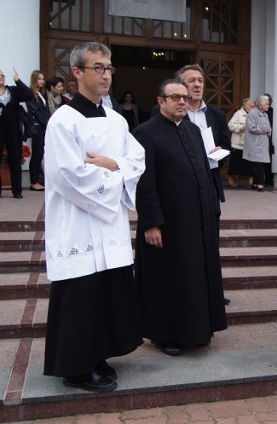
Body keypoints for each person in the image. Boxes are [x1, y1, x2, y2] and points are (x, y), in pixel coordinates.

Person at [43, 41, 145, 392]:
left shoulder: (117, 119)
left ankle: (98, 355)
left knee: (106, 292)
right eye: (98, 68)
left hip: (109, 224)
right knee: (81, 295)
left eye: (109, 68)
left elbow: (137, 159)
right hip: (78, 224)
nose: (106, 75)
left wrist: (113, 164)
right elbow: (69, 174)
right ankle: (75, 367)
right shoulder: (63, 121)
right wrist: (117, 178)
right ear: (77, 73)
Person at [133, 79, 227, 356]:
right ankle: (167, 334)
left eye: (185, 97)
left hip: (197, 221)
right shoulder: (145, 133)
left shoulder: (194, 130)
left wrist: (210, 208)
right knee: (168, 278)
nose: (182, 102)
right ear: (160, 101)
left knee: (195, 276)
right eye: (175, 97)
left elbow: (204, 171)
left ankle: (198, 329)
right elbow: (144, 182)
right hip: (166, 223)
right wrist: (151, 222)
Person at [175, 64, 231, 204]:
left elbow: (226, 145)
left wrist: (219, 153)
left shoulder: (216, 115)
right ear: (180, 86)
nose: (197, 85)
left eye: (200, 81)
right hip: (180, 182)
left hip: (210, 181)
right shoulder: (170, 113)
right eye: (192, 80)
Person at [0, 66, 34, 199]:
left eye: (2, 75)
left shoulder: (12, 90)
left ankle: (17, 191)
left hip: (13, 130)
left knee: (15, 158)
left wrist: (18, 81)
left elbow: (28, 95)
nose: (1, 77)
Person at [26, 70, 51, 191]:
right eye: (39, 79)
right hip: (37, 127)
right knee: (36, 154)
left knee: (40, 153)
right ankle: (34, 181)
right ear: (34, 80)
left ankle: (36, 180)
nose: (41, 81)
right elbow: (35, 112)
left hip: (43, 126)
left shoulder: (41, 94)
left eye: (42, 79)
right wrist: (47, 123)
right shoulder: (31, 94)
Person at [243, 94, 272, 191]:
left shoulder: (265, 115)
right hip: (255, 144)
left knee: (260, 163)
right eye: (267, 104)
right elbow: (251, 128)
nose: (269, 106)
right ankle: (260, 184)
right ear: (261, 105)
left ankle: (255, 184)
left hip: (263, 143)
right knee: (257, 164)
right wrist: (265, 130)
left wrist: (267, 131)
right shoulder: (252, 114)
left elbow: (269, 128)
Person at [226, 97, 254, 187]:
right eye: (251, 106)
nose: (253, 108)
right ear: (245, 106)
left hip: (249, 143)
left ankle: (251, 181)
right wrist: (241, 127)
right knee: (235, 163)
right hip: (238, 143)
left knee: (250, 163)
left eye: (254, 106)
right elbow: (230, 125)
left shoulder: (254, 114)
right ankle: (230, 180)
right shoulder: (238, 114)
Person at [263, 92, 275, 187]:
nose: (269, 102)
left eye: (270, 100)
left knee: (270, 159)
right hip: (261, 138)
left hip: (271, 138)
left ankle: (269, 179)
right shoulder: (260, 112)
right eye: (267, 100)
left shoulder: (274, 112)